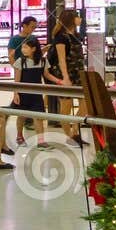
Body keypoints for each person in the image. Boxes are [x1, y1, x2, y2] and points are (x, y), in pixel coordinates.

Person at [45, 9, 87, 145]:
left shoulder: (76, 35)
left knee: (85, 102)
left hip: (78, 73)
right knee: (66, 105)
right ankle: (69, 135)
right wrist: (65, 77)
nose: (80, 19)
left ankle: (75, 130)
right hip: (66, 74)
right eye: (77, 17)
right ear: (71, 19)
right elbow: (62, 59)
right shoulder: (61, 38)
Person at [5, 17, 40, 148]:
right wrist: (16, 66)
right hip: (21, 71)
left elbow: (37, 54)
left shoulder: (34, 39)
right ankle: (19, 134)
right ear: (24, 26)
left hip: (33, 73)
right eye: (32, 26)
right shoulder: (15, 40)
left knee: (32, 107)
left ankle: (39, 138)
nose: (33, 29)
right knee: (21, 104)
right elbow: (11, 57)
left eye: (35, 26)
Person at [10, 35, 50, 147]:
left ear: (33, 49)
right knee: (21, 116)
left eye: (26, 47)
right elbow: (16, 80)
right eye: (22, 48)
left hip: (37, 93)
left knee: (38, 117)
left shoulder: (42, 61)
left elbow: (47, 75)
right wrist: (16, 93)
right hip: (23, 93)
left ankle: (41, 141)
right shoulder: (20, 61)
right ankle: (19, 136)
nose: (23, 50)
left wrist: (60, 81)